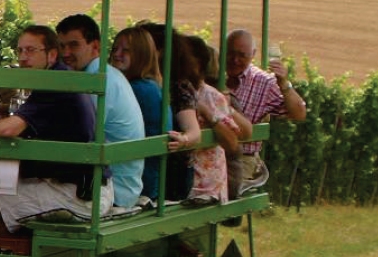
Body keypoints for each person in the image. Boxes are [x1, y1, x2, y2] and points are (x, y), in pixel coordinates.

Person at [0, 26, 107, 231]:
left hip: (80, 196)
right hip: (75, 186)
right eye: (20, 51)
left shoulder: (54, 83)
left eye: (31, 50)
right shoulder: (57, 78)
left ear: (51, 55)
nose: (23, 57)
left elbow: (11, 129)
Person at [57, 14, 144, 210]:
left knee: (11, 194)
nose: (66, 53)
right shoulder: (105, 73)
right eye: (62, 46)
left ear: (95, 46)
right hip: (122, 185)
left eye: (73, 45)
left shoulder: (95, 80)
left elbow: (79, 134)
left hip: (112, 190)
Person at [166, 35, 251, 205]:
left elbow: (232, 143)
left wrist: (208, 115)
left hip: (205, 187)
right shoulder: (173, 89)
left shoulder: (212, 96)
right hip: (180, 180)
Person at [223, 28, 308, 197]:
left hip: (242, 158)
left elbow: (299, 114)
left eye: (242, 55)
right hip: (210, 154)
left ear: (252, 55)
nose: (235, 60)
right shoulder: (211, 74)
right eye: (230, 53)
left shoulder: (264, 82)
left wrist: (284, 84)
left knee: (220, 186)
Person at [110, 25, 170, 200]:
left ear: (142, 55)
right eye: (115, 49)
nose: (116, 54)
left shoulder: (139, 89)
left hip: (142, 183)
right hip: (151, 178)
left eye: (126, 51)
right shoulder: (151, 85)